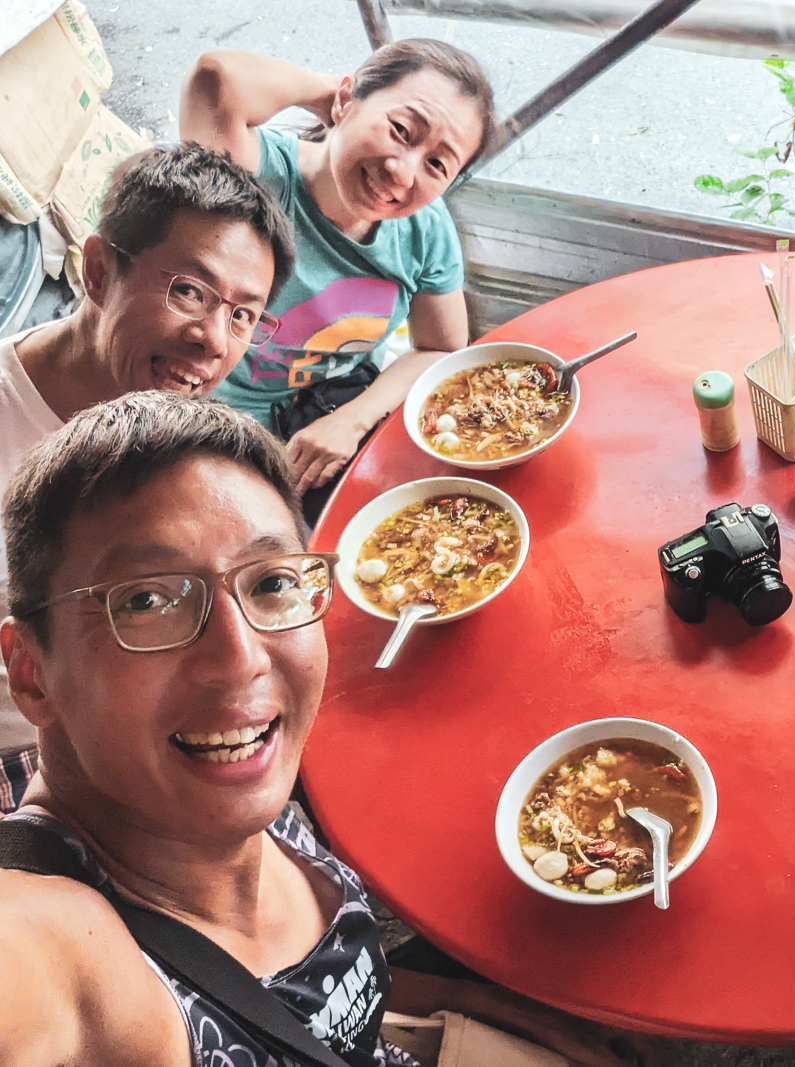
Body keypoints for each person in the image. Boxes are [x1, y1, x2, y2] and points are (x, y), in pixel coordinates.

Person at [0, 394, 633, 1067]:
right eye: (147, 600)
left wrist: (498, 1008)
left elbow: (301, 990)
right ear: (31, 672)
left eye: (271, 580)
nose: (240, 658)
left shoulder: (213, 785)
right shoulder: (65, 948)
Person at [0, 142, 293, 766]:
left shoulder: (186, 423)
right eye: (190, 291)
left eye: (243, 314)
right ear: (100, 272)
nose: (214, 340)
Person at [179, 41, 495, 505]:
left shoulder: (425, 230)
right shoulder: (255, 176)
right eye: (401, 129)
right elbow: (215, 76)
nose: (402, 173)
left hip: (335, 415)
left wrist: (353, 419)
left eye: (436, 164)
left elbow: (440, 347)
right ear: (345, 101)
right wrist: (332, 93)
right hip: (213, 429)